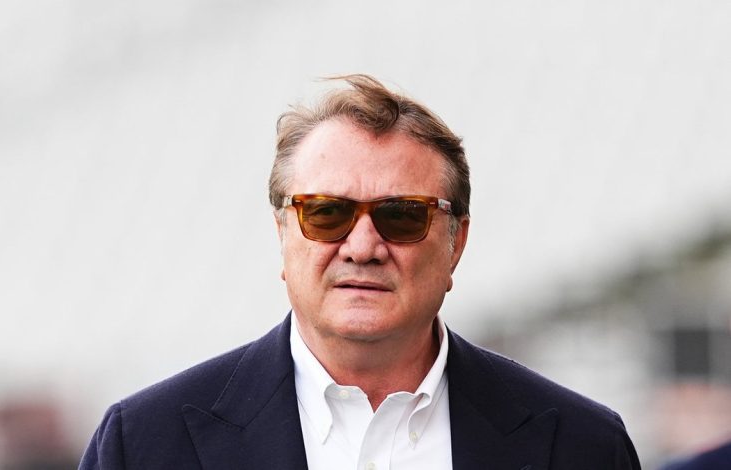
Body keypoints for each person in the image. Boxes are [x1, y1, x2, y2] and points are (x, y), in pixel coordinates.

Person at [79, 74, 641, 469]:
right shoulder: (145, 445)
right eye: (327, 213)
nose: (363, 246)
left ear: (457, 242)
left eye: (402, 215)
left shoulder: (583, 447)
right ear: (283, 232)